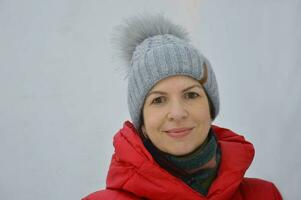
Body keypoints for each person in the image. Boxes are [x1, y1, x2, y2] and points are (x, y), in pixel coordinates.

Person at [83, 14, 282, 200]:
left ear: (210, 109)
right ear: (142, 122)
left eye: (191, 95)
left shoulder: (264, 194)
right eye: (158, 100)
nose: (177, 113)